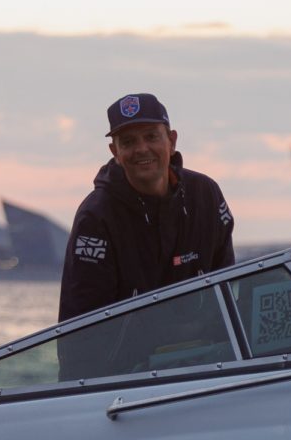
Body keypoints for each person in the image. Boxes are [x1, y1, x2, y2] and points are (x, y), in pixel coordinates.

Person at [58, 93, 235, 322]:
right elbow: (81, 323)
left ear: (171, 141)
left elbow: (229, 287)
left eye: (151, 136)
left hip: (207, 343)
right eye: (128, 142)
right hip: (130, 346)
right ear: (115, 152)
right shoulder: (95, 217)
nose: (141, 149)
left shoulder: (205, 194)